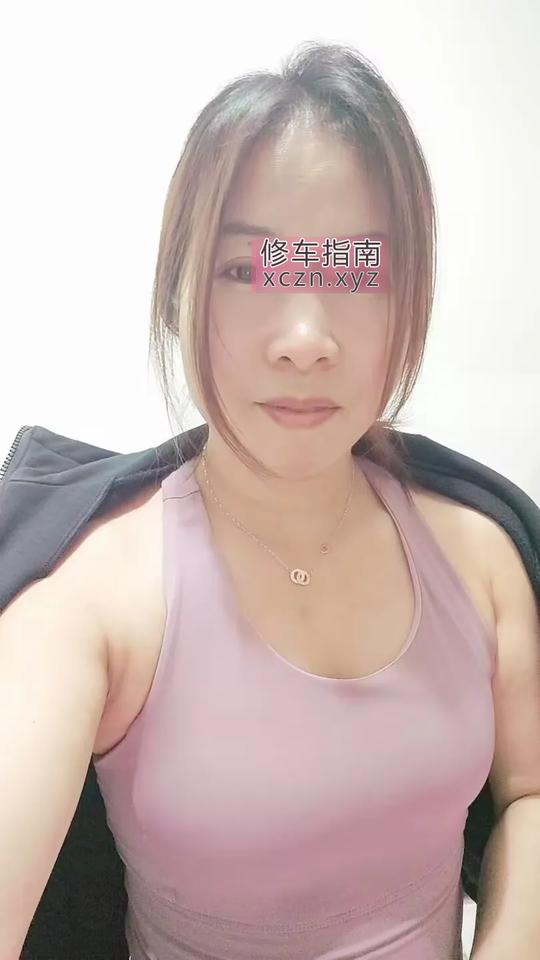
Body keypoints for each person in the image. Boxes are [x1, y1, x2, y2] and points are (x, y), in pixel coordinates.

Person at [3, 40, 532, 960]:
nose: (304, 338)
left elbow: (529, 791)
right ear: (180, 290)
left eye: (355, 272)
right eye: (249, 271)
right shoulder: (92, 601)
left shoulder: (478, 554)